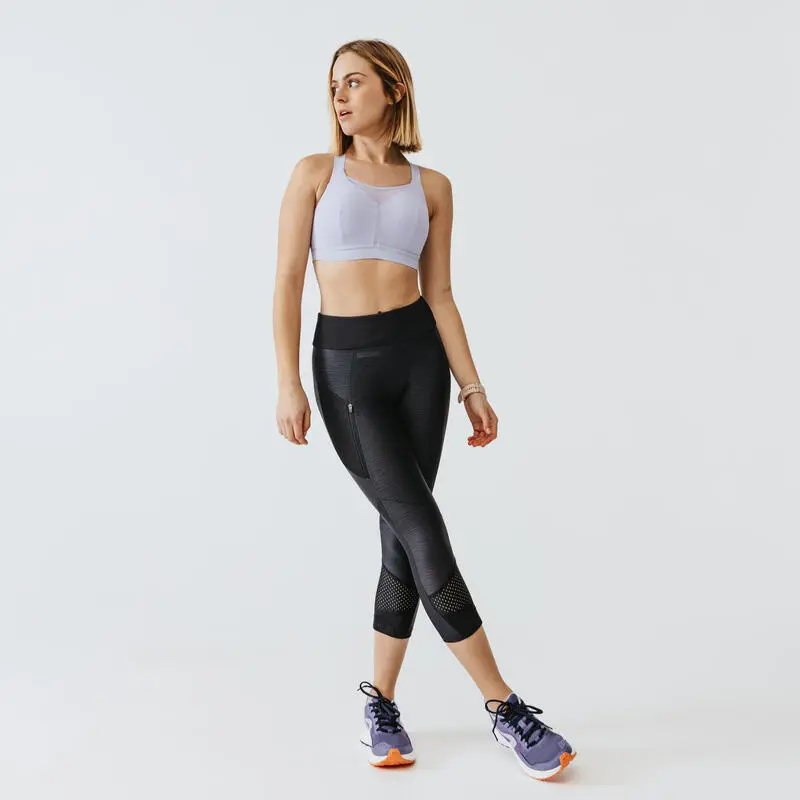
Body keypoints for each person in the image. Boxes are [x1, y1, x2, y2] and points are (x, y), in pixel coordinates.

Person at [272, 38, 577, 781]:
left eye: (354, 82)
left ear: (394, 88)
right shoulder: (315, 173)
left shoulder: (432, 186)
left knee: (401, 538)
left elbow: (439, 294)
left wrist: (473, 387)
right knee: (422, 527)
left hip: (419, 367)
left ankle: (380, 704)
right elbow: (286, 283)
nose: (339, 96)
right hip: (346, 370)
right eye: (333, 85)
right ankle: (503, 705)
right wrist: (288, 382)